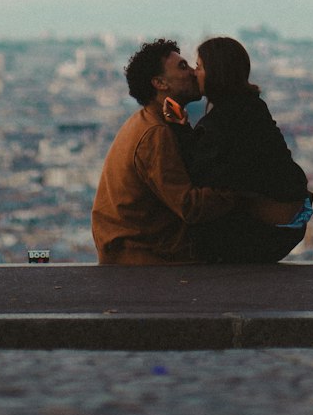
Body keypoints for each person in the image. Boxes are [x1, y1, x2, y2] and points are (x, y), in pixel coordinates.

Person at [90, 39, 242, 265]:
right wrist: (240, 191)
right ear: (160, 83)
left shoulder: (148, 122)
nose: (193, 72)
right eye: (183, 67)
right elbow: (189, 206)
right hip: (146, 256)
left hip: (132, 250)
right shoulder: (155, 134)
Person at [171, 36, 313, 264]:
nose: (194, 73)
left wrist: (177, 130)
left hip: (263, 232)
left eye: (199, 66)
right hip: (290, 224)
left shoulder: (220, 123)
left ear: (217, 72)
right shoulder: (252, 107)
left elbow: (197, 176)